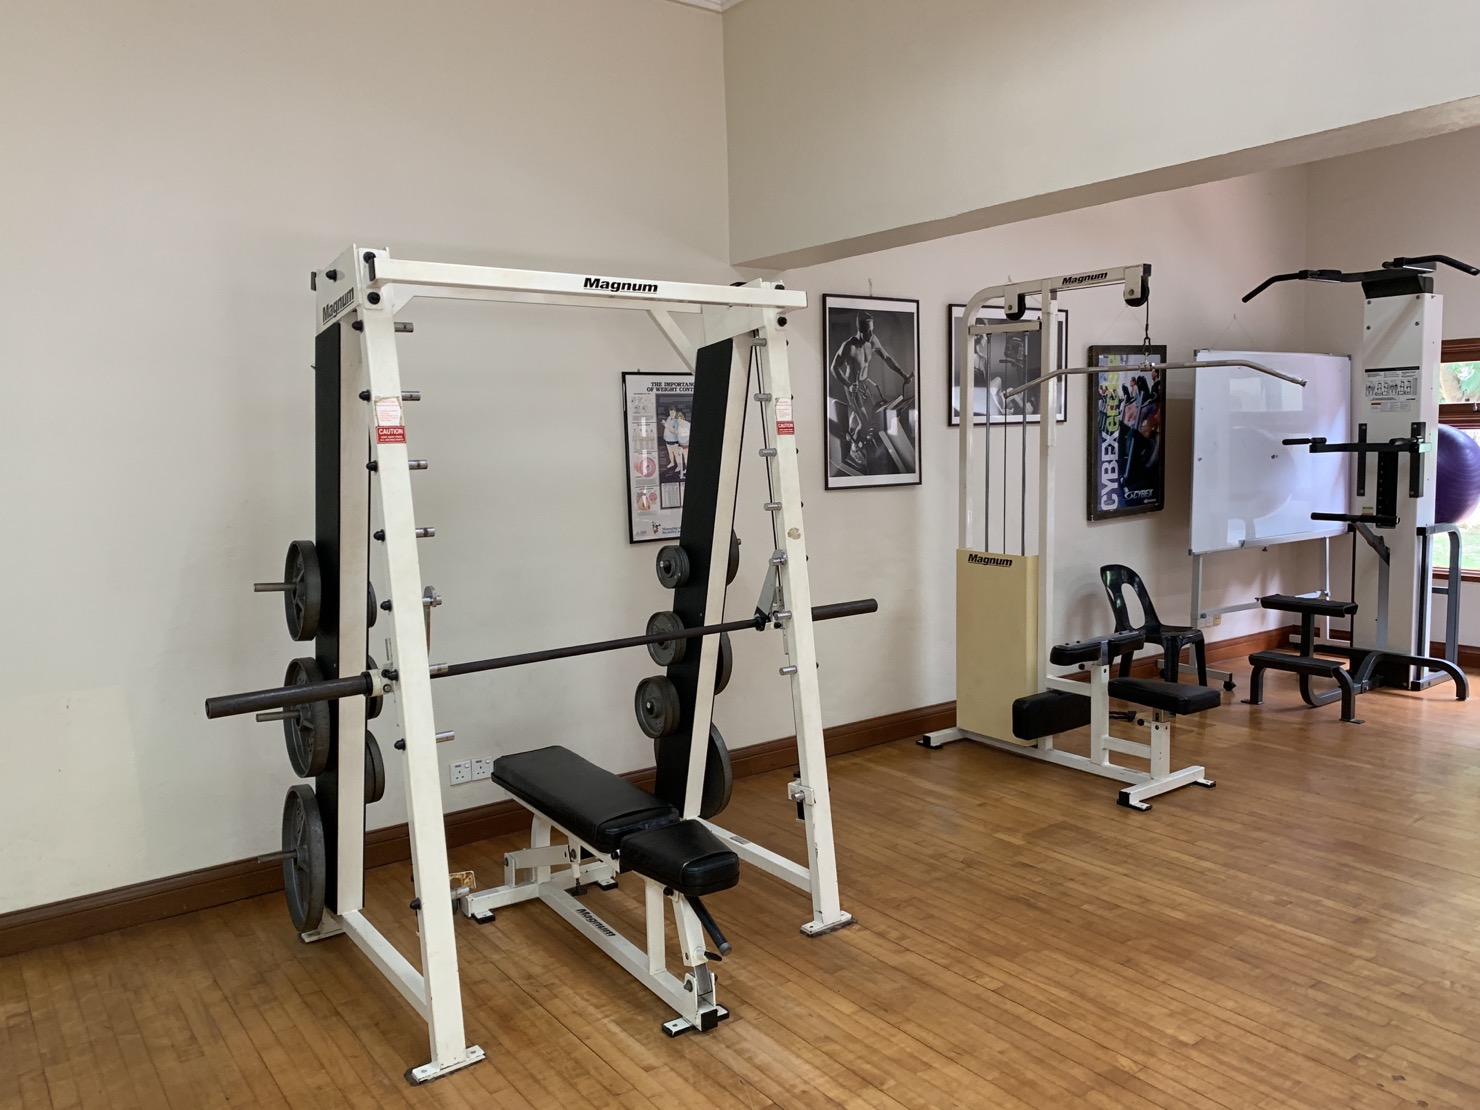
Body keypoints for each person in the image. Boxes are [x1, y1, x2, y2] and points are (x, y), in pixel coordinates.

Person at [829, 311, 913, 467]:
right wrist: (848, 384)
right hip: (854, 387)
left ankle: (854, 433)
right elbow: (834, 368)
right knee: (866, 424)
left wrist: (904, 375)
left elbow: (887, 358)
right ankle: (854, 449)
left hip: (866, 383)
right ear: (860, 329)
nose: (870, 334)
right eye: (867, 331)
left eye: (872, 330)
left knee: (876, 417)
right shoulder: (849, 346)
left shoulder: (873, 340)